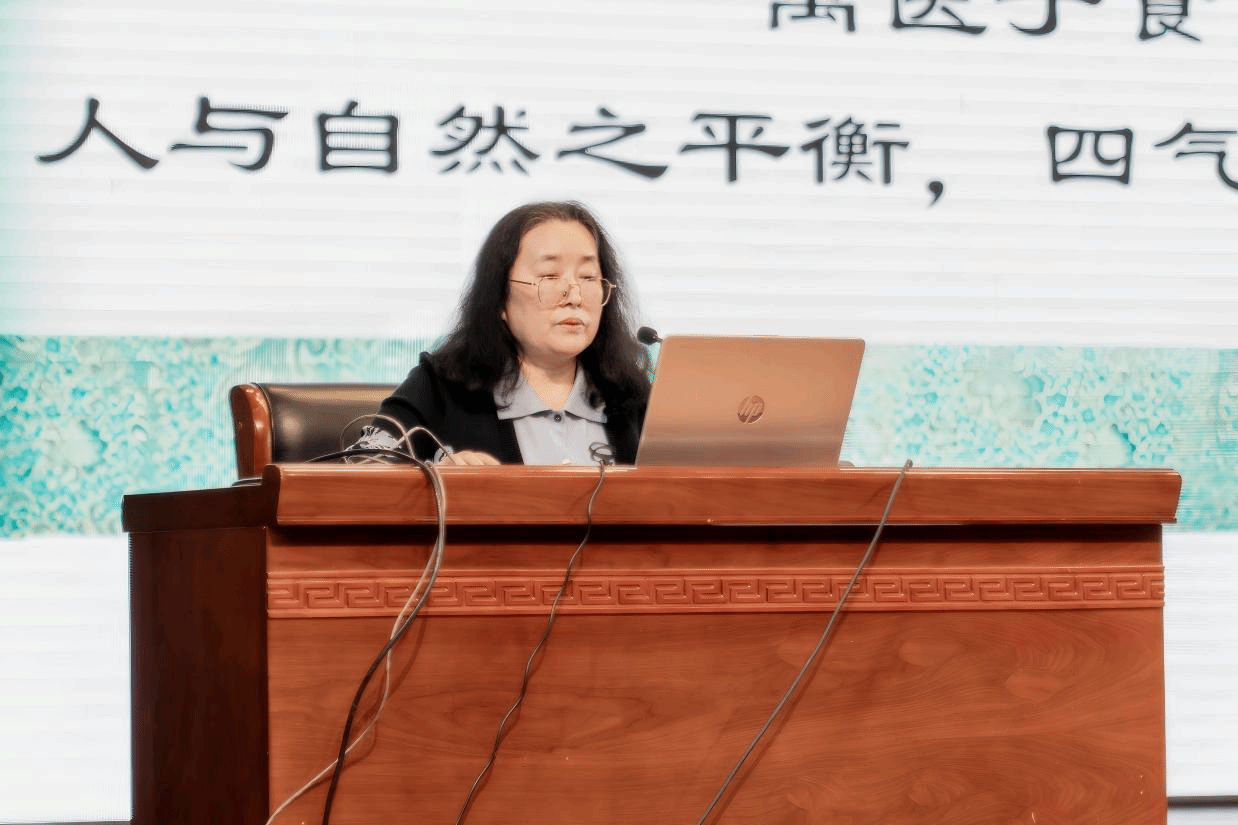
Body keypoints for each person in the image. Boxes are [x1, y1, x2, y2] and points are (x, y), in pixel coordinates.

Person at [354, 201, 651, 465]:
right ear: (499, 299)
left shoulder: (631, 397)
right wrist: (434, 478)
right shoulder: (440, 388)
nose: (574, 295)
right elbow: (360, 470)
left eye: (588, 277)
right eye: (549, 276)